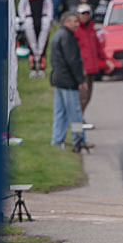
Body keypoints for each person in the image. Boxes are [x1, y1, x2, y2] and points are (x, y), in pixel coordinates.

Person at [50, 11, 92, 150]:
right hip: (68, 81)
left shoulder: (58, 35)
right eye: (74, 21)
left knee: (60, 112)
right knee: (75, 113)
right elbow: (73, 61)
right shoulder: (67, 37)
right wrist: (80, 80)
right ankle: (79, 140)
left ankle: (57, 140)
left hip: (59, 80)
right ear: (66, 22)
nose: (77, 24)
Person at [75, 4, 113, 117]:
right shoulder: (77, 31)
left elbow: (98, 47)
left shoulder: (91, 29)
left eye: (87, 13)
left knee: (88, 96)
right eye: (83, 14)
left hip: (92, 68)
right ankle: (77, 120)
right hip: (83, 69)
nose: (85, 16)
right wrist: (80, 68)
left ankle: (80, 118)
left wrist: (106, 61)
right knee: (82, 96)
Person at [17, 0, 54, 77]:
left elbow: (49, 4)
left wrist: (49, 18)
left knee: (42, 44)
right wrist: (23, 18)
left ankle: (42, 67)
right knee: (32, 45)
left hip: (43, 18)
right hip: (29, 19)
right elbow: (21, 5)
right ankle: (33, 67)